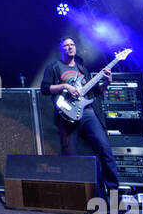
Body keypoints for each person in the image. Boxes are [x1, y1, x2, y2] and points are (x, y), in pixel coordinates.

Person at [40, 36, 119, 192]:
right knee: (70, 157)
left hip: (88, 113)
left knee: (105, 150)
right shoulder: (54, 67)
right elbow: (44, 89)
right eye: (66, 45)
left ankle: (114, 195)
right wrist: (65, 86)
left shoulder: (82, 68)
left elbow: (94, 92)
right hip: (66, 116)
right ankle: (75, 196)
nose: (70, 47)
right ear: (61, 49)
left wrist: (106, 83)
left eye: (72, 44)